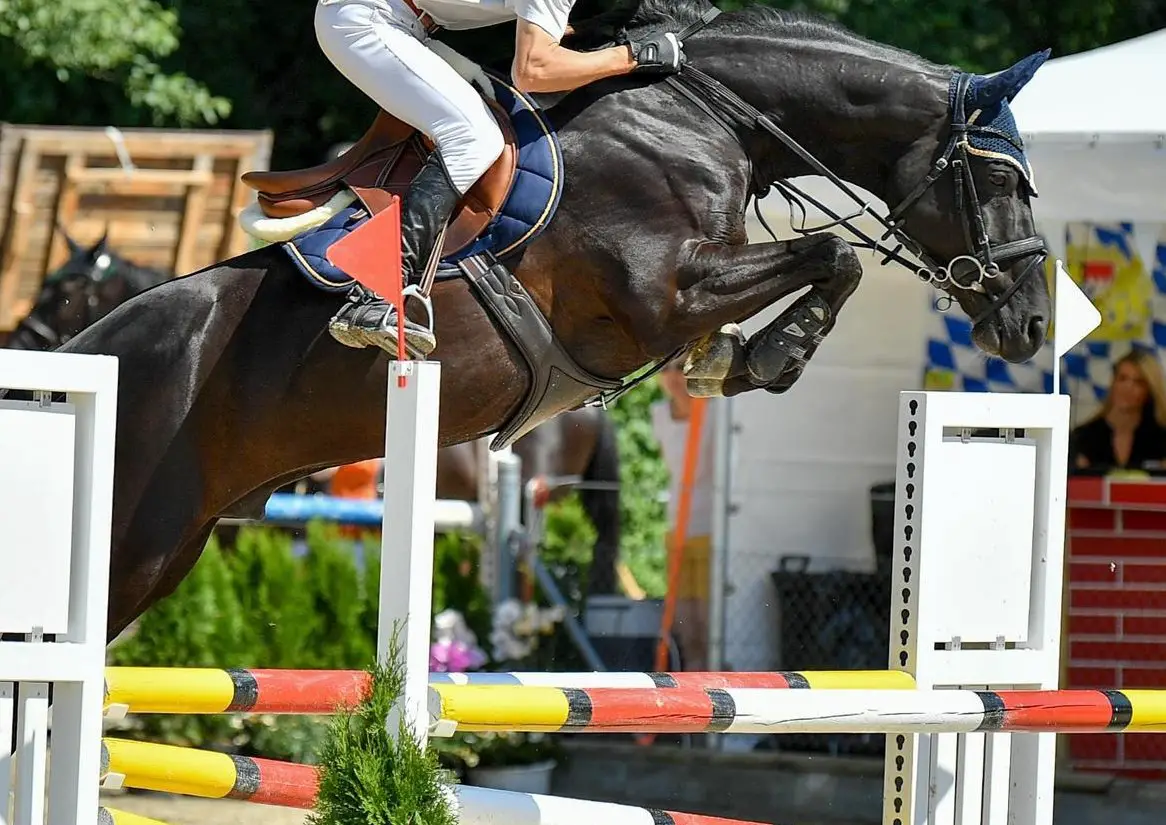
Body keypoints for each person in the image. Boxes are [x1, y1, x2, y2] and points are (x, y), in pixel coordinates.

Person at [317, 0, 688, 356]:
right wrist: (635, 57)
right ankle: (375, 295)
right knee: (473, 138)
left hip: (405, 23)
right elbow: (532, 71)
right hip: (368, 19)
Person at [1069, 348, 1166, 472]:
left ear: (1150, 389)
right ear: (1113, 383)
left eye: (1138, 382)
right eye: (1123, 378)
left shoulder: (1161, 438)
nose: (1128, 388)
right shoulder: (1083, 437)